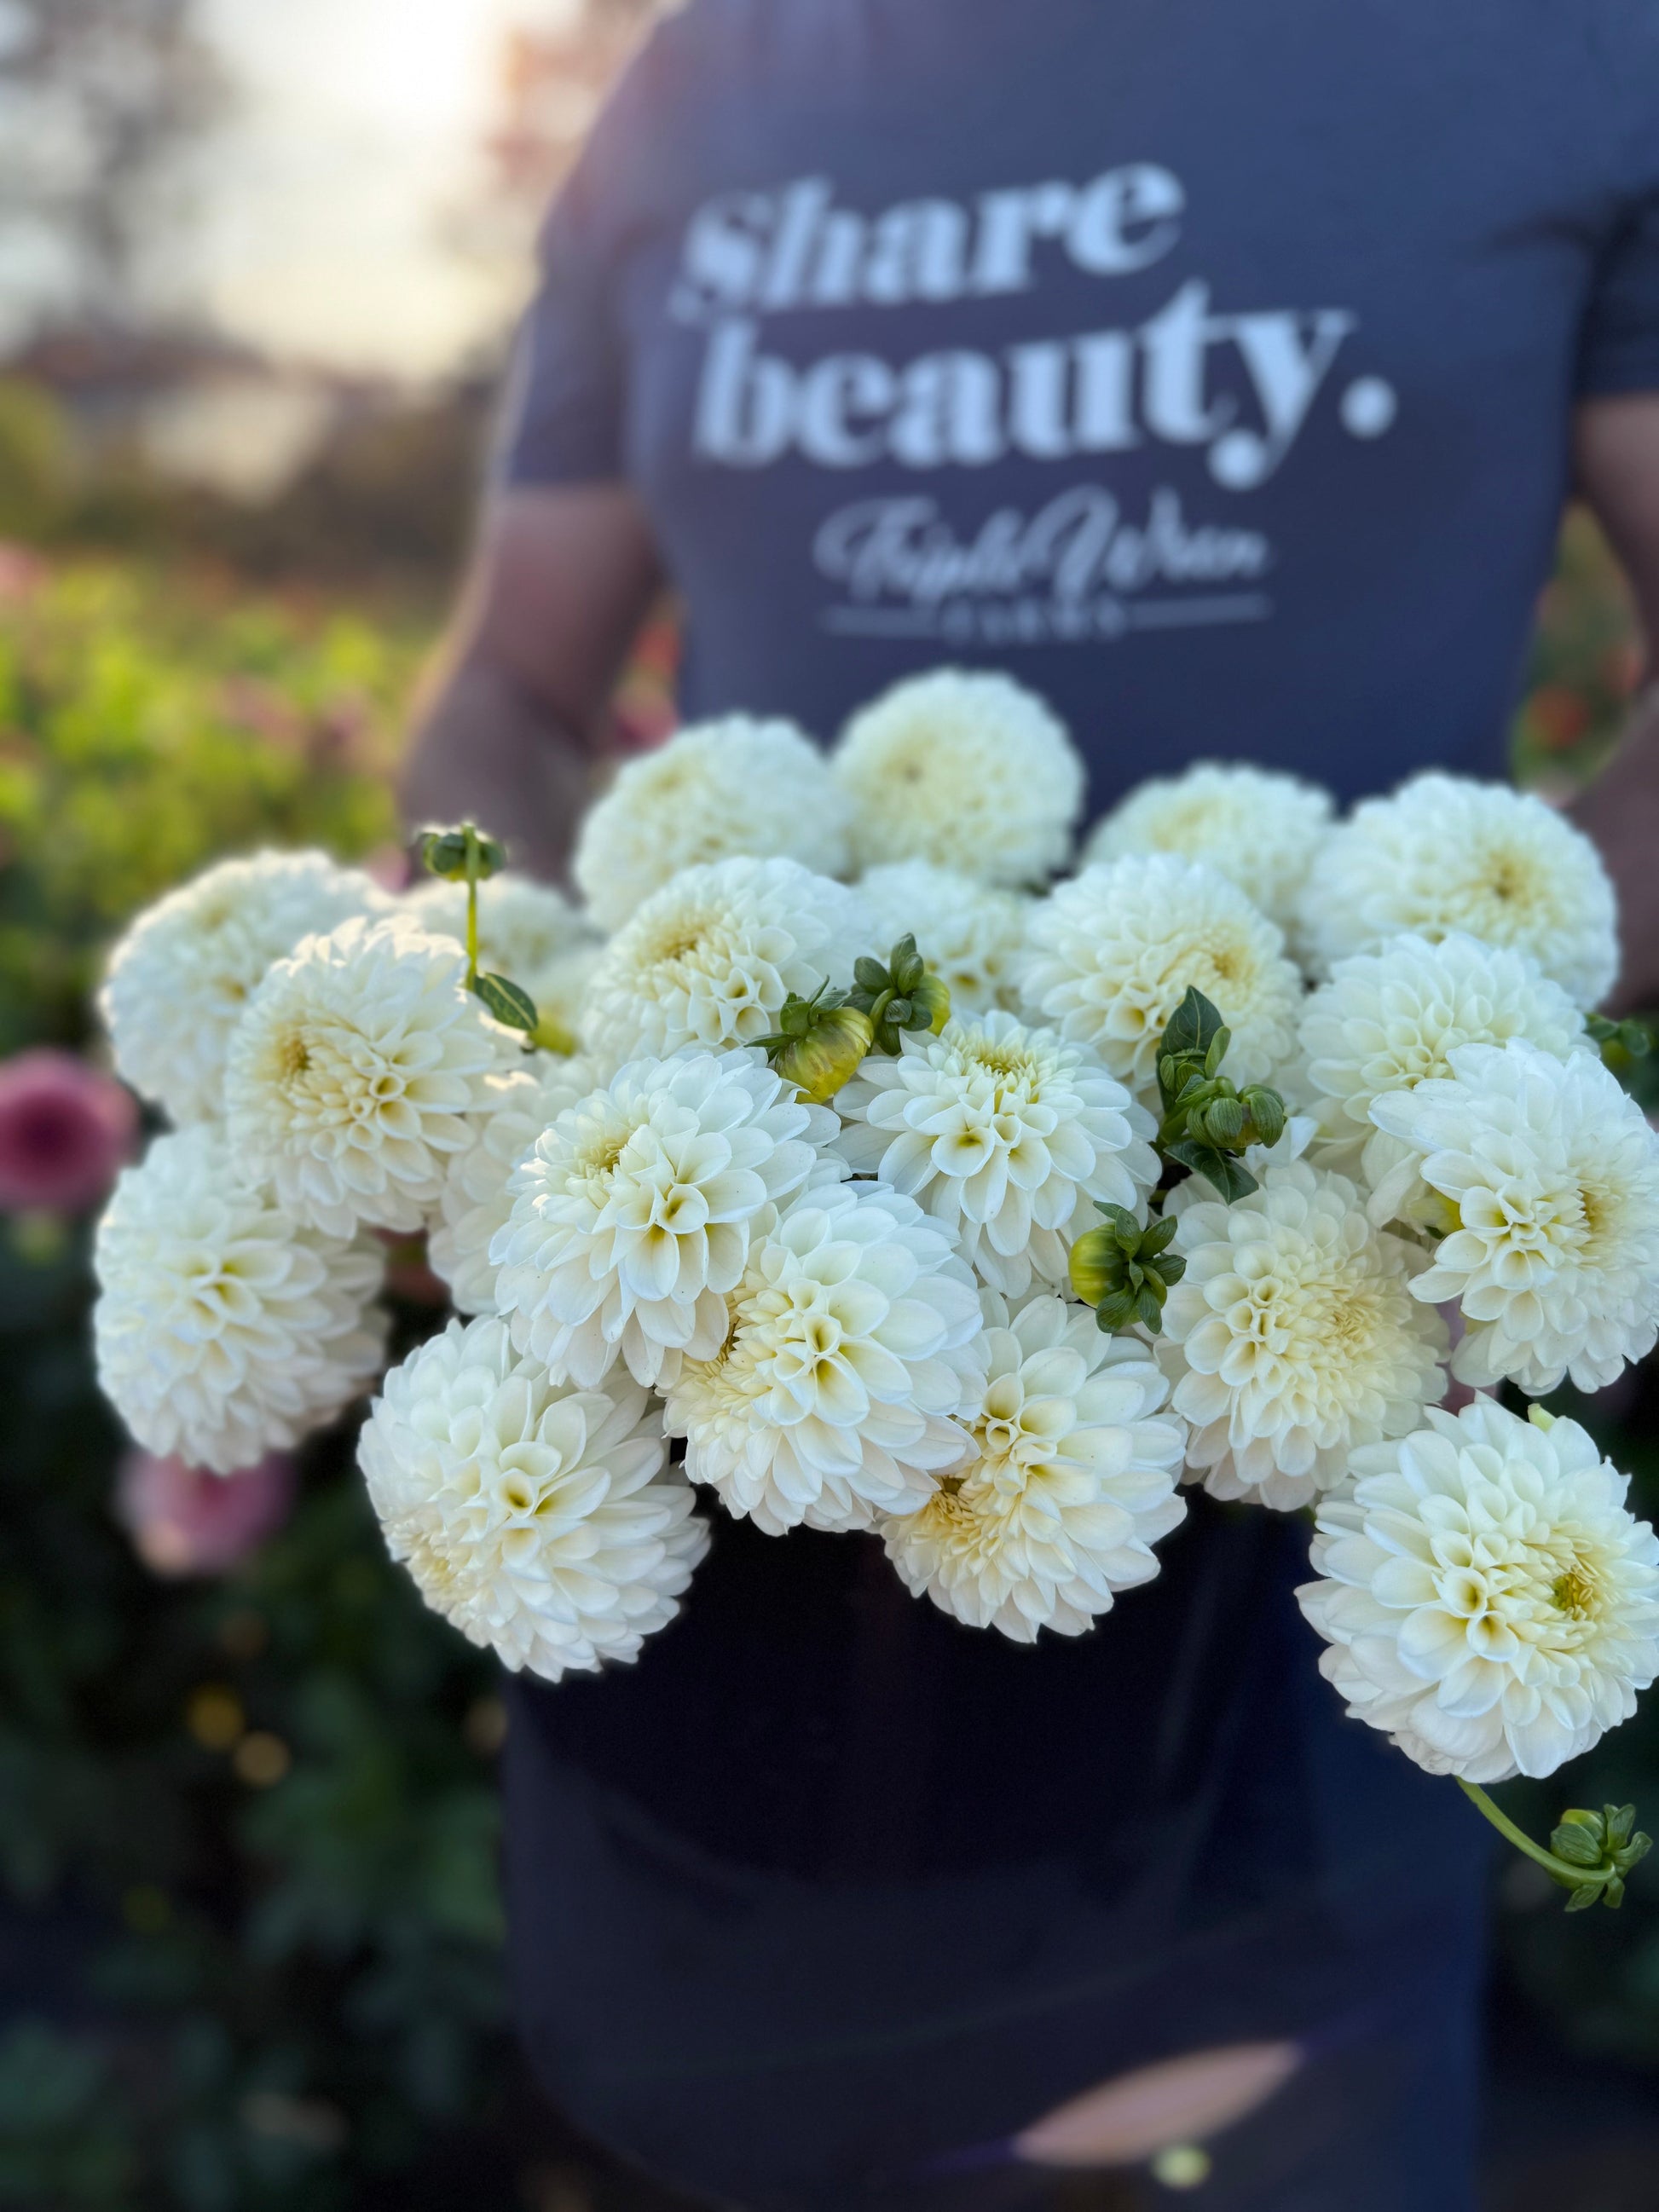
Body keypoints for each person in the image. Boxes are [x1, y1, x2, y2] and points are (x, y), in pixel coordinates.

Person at [402, 5, 1659, 2206]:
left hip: (1302, 1511)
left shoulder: (1563, 53)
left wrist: (1435, 1067)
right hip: (737, 1497)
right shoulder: (692, 87)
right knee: (755, 2128)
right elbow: (512, 680)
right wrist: (481, 1048)